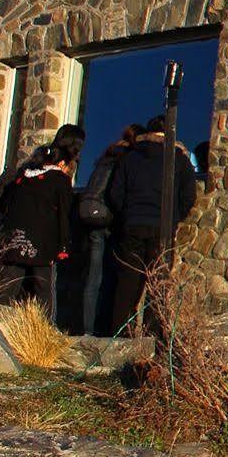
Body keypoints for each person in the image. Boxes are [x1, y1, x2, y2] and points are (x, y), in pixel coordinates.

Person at [103, 116, 198, 335]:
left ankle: (119, 333)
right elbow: (188, 196)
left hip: (133, 224)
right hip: (162, 228)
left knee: (128, 281)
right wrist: (173, 217)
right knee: (158, 282)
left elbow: (115, 193)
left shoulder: (130, 158)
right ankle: (152, 336)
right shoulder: (178, 160)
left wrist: (127, 214)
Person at [0, 139, 77, 305]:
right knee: (43, 288)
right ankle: (44, 327)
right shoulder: (60, 179)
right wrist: (63, 246)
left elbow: (5, 203)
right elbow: (64, 215)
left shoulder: (22, 177)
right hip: (42, 242)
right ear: (62, 163)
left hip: (13, 237)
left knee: (8, 285)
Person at [71, 123, 142, 335]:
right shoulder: (127, 159)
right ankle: (103, 327)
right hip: (108, 219)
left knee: (92, 277)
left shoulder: (106, 156)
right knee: (111, 277)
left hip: (90, 214)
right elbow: (117, 193)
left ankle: (85, 329)